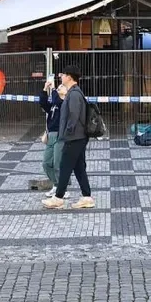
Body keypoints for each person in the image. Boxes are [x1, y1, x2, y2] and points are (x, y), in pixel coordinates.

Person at [43, 66, 94, 210]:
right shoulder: (73, 92)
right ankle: (87, 197)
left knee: (65, 166)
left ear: (70, 77)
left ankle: (58, 198)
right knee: (79, 168)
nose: (61, 76)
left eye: (63, 74)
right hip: (77, 137)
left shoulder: (74, 94)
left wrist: (67, 133)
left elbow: (74, 116)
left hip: (74, 137)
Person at [38, 76, 66, 187]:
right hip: (50, 135)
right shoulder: (54, 104)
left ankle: (62, 188)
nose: (59, 87)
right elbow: (43, 103)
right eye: (59, 86)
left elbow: (57, 101)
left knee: (57, 164)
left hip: (60, 135)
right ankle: (56, 184)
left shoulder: (65, 103)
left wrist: (53, 88)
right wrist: (45, 89)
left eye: (62, 86)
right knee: (46, 163)